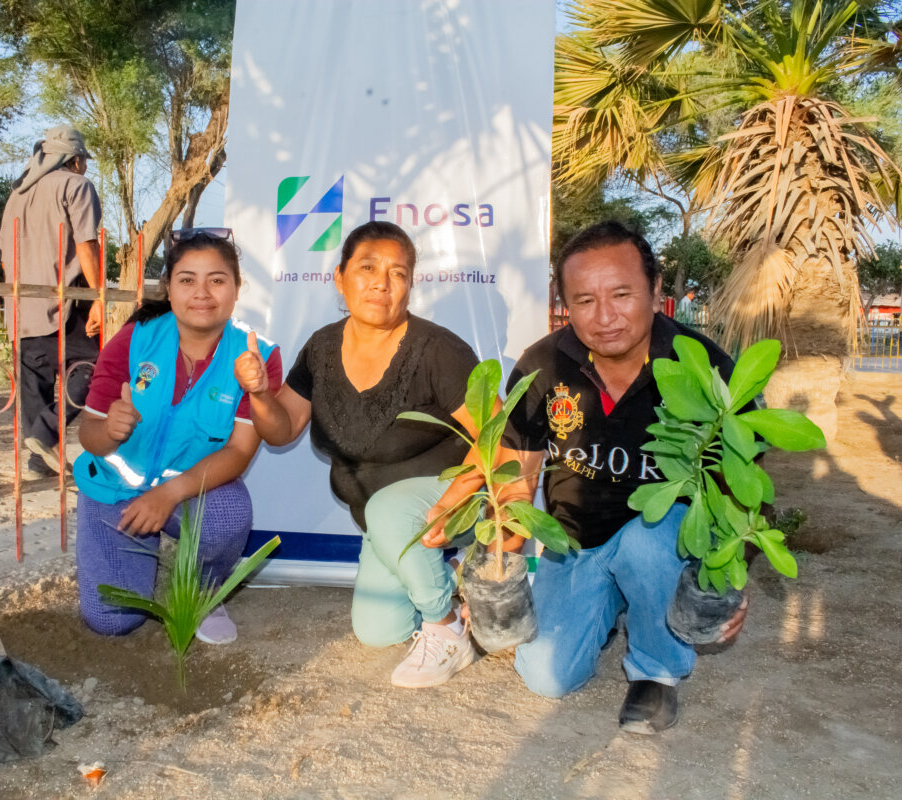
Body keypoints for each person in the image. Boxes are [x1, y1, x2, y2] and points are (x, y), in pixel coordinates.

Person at [494, 221, 747, 734]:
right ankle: (606, 605)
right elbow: (516, 472)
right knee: (546, 675)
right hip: (574, 541)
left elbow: (739, 487)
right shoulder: (543, 365)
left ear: (656, 292)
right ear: (565, 303)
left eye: (622, 294)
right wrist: (499, 555)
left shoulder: (703, 366)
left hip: (661, 540)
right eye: (584, 300)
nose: (604, 317)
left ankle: (656, 669)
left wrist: (731, 577)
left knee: (651, 538)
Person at [235, 220, 484, 688]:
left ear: (410, 284)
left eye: (398, 273)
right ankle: (455, 569)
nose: (382, 283)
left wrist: (455, 502)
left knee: (389, 511)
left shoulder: (438, 350)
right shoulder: (322, 347)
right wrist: (260, 396)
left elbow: (493, 439)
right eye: (368, 267)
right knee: (377, 631)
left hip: (450, 499)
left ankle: (447, 627)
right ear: (339, 277)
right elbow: (281, 429)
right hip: (381, 517)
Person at [73, 229, 281, 644]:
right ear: (168, 289)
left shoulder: (258, 356)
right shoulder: (134, 340)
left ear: (237, 289)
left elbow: (240, 450)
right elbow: (89, 438)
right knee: (113, 620)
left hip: (186, 494)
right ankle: (141, 554)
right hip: (115, 492)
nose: (202, 293)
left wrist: (167, 495)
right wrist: (109, 430)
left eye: (217, 280)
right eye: (187, 280)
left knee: (227, 516)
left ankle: (202, 588)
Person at [0, 124, 104, 479]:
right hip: (65, 303)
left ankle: (39, 460)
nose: (85, 167)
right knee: (93, 369)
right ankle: (44, 436)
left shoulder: (16, 195)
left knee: (34, 385)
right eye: (83, 161)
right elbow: (87, 244)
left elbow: (3, 256)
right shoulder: (76, 186)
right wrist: (99, 296)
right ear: (74, 160)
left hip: (20, 306)